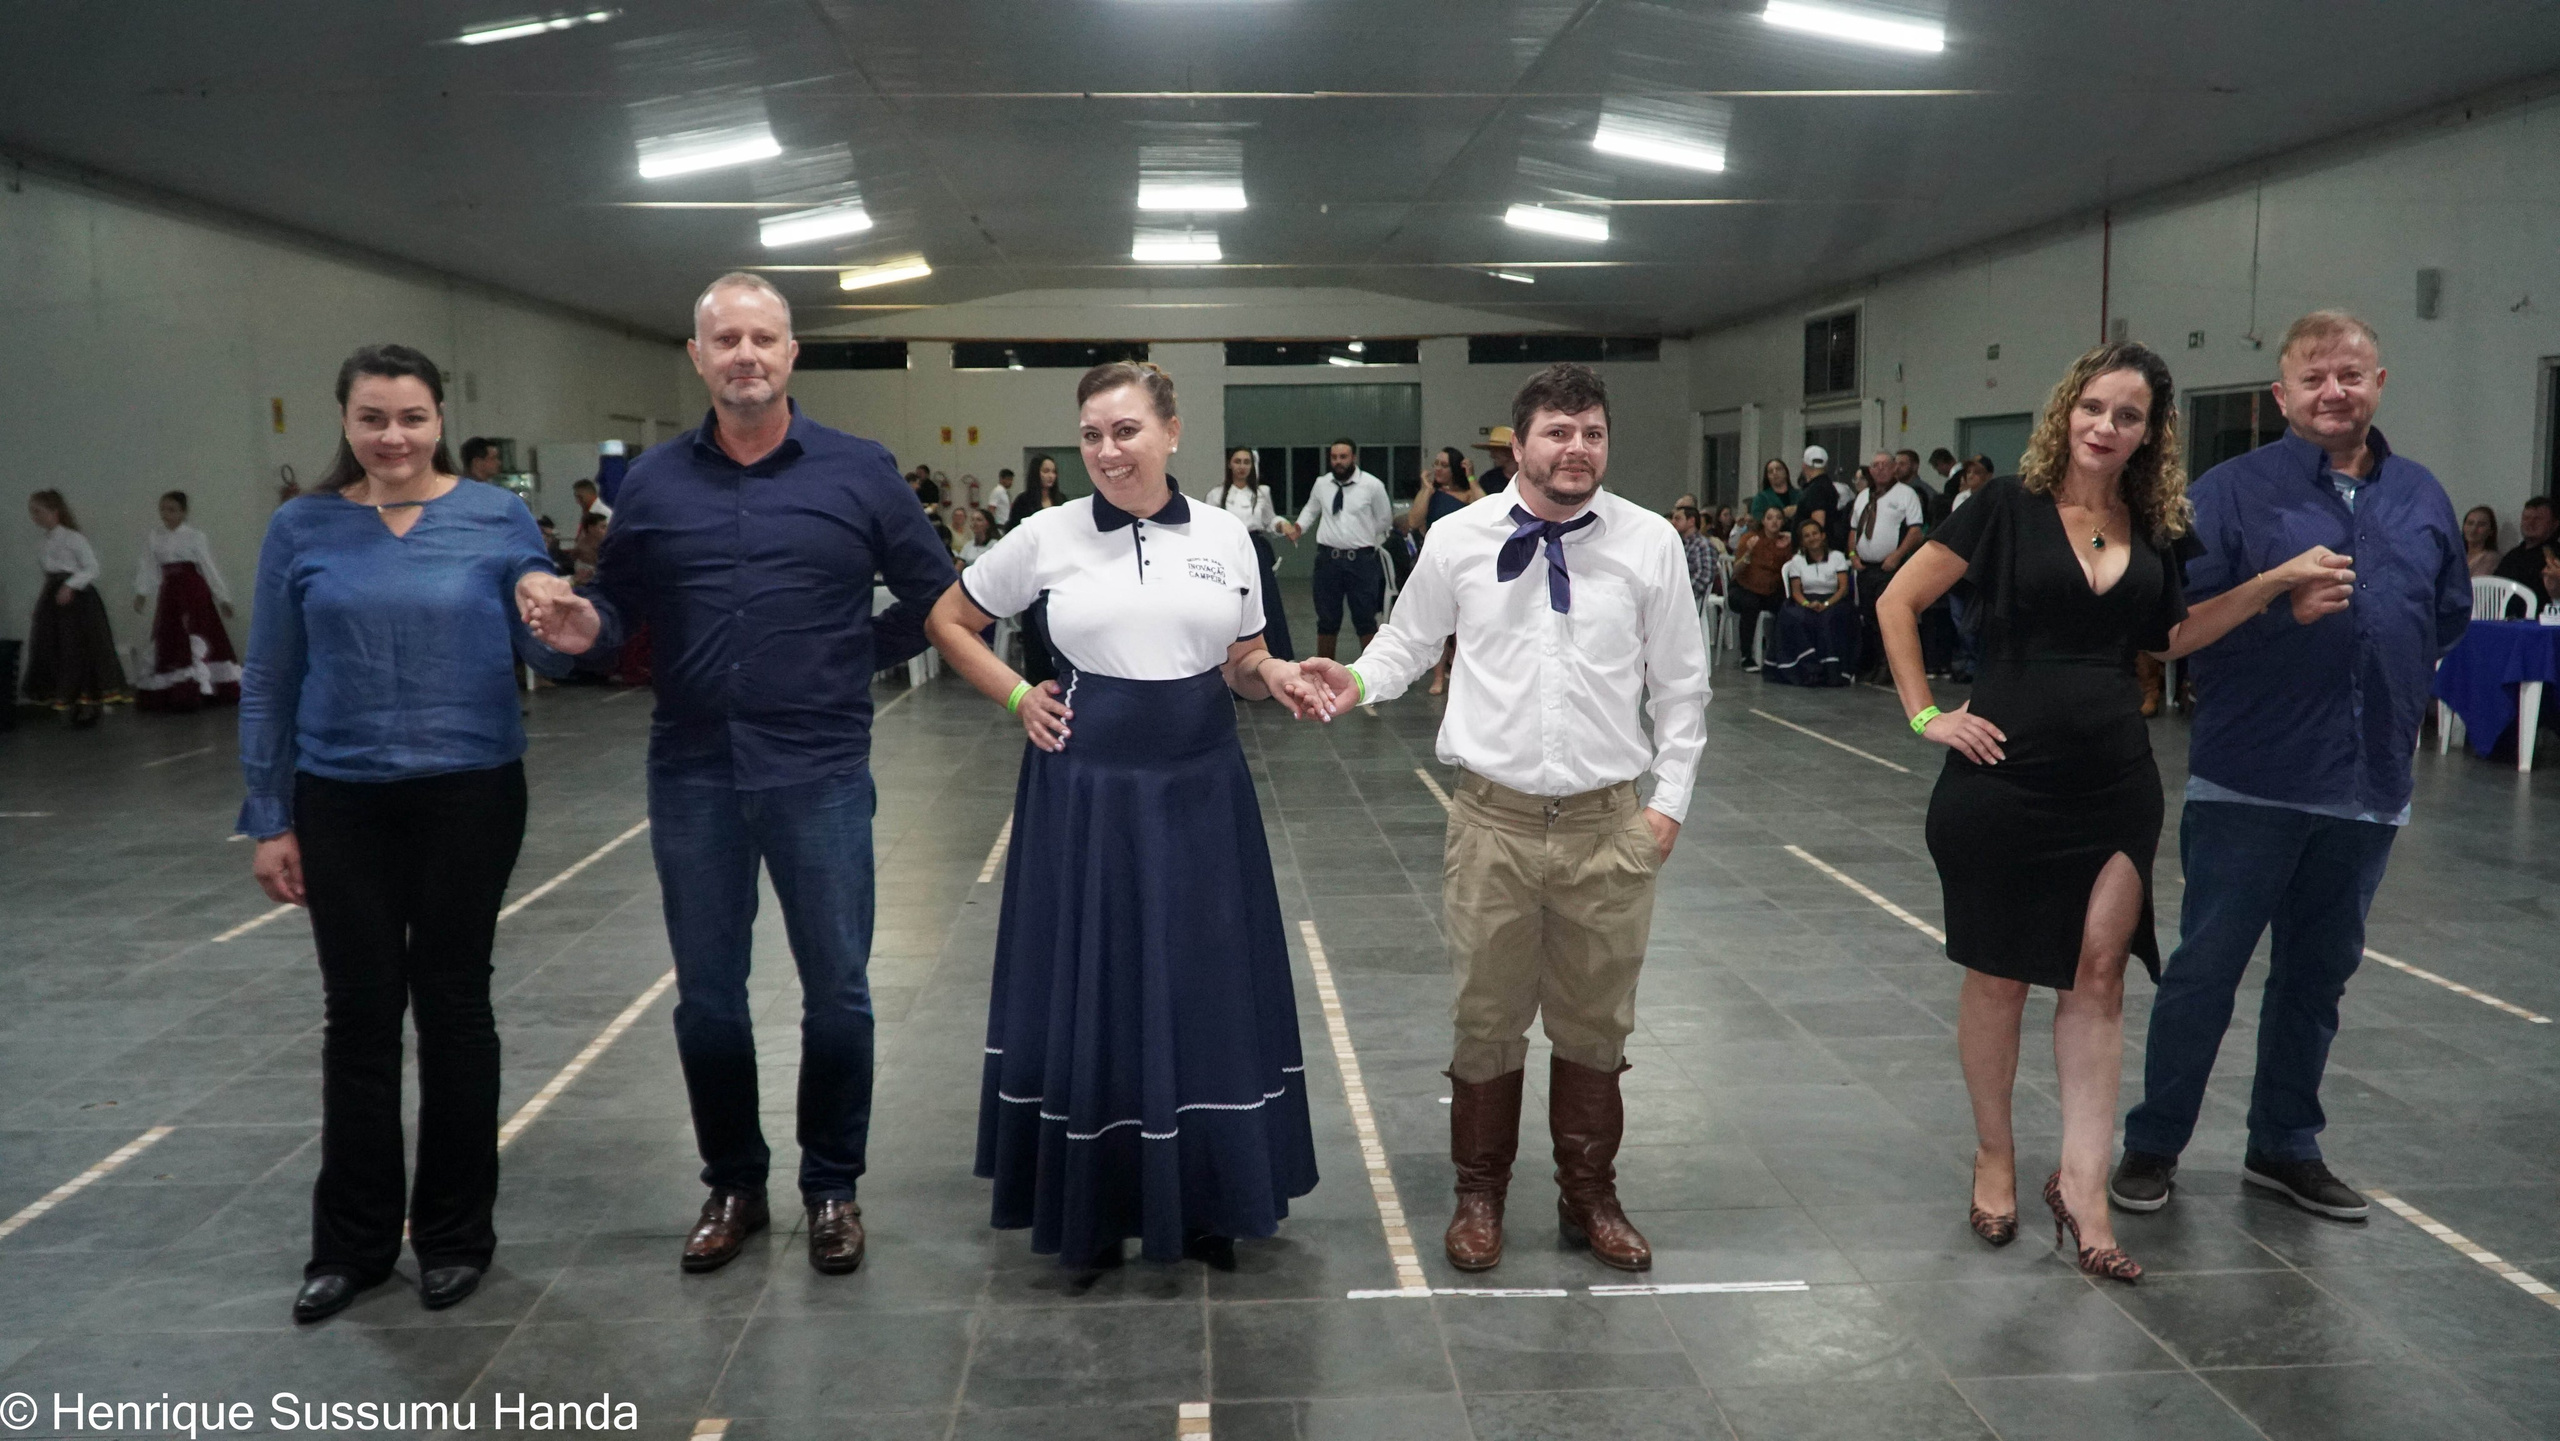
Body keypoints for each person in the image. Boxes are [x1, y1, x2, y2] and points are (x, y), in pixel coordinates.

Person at [1874, 339, 2357, 1285]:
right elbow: (1898, 600)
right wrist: (1928, 713)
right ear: (2068, 412)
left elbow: (2169, 638)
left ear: (2148, 433)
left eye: (2128, 415)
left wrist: (2263, 586)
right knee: (2001, 976)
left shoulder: (2154, 521)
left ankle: (2085, 1185)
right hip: (2001, 776)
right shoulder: (2004, 509)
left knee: (2099, 976)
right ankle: (1996, 1158)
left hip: (2113, 782)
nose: (2107, 426)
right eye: (2094, 407)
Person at [518, 272, 955, 1280]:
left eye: (765, 337)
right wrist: (585, 625)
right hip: (694, 772)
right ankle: (734, 1182)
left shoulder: (861, 471)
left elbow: (942, 591)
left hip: (823, 769)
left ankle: (833, 1183)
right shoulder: (656, 485)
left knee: (839, 993)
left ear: (791, 353)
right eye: (728, 340)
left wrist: (855, 652)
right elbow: (615, 611)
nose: (747, 355)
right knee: (708, 998)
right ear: (699, 356)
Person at [1299, 363, 1710, 1276]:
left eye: (1592, 432)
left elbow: (1682, 687)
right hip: (1492, 824)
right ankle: (1478, 1194)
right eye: (1557, 431)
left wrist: (1665, 809)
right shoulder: (1459, 538)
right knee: (1486, 1018)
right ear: (1517, 445)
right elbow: (1408, 642)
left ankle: (1589, 1196)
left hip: (1611, 827)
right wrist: (1356, 679)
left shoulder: (1648, 544)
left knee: (1597, 1024)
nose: (1577, 448)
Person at [922, 361, 1324, 1270]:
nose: (1107, 450)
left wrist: (1278, 676)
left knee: (1204, 984)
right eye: (1093, 434)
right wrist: (1019, 695)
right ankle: (1095, 1196)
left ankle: (1213, 1194)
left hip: (1203, 789)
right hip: (1087, 797)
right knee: (1095, 983)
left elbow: (1242, 657)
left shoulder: (1227, 536)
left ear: (1173, 432)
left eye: (1127, 430)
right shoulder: (1044, 536)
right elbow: (949, 620)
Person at [237, 343, 573, 1324]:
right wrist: (269, 816)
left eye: (412, 417)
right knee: (361, 1015)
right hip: (340, 799)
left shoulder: (495, 516)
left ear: (440, 420)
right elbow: (270, 676)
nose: (393, 436)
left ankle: (456, 1235)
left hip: (470, 794)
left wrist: (561, 619)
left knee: (456, 1006)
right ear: (343, 420)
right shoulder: (300, 528)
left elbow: (546, 651)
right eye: (374, 417)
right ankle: (351, 1244)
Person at [2114, 311, 2472, 1224]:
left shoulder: (2423, 496)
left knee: (2318, 977)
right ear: (2282, 396)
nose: (2333, 392)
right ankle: (2154, 1142)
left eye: (2349, 375)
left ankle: (2284, 1144)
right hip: (2252, 781)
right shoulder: (2231, 493)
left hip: (2367, 787)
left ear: (2379, 383)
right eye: (2313, 379)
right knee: (2205, 971)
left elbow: (2443, 618)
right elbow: (2172, 633)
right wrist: (2279, 608)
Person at [22, 490, 130, 725]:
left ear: (54, 511)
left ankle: (88, 703)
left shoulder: (73, 538)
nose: (35, 517)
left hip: (78, 601)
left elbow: (92, 568)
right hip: (55, 598)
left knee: (79, 649)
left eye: (38, 511)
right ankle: (69, 701)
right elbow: (49, 576)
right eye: (33, 512)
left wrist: (70, 585)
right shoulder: (43, 542)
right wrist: (42, 605)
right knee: (56, 649)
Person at [131, 490, 242, 712]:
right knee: (172, 636)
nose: (166, 514)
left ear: (183, 512)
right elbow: (149, 567)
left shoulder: (195, 536)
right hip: (170, 592)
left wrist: (223, 598)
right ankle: (177, 691)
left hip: (193, 590)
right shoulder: (155, 536)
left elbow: (208, 567)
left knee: (198, 634)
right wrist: (141, 593)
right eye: (163, 509)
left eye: (172, 510)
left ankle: (204, 687)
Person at [1284, 438, 1392, 660]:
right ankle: (1324, 672)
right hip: (1328, 560)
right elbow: (1310, 510)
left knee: (1365, 618)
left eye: (1343, 457)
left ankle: (1372, 672)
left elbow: (1384, 519)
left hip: (1361, 561)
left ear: (1354, 457)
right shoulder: (1322, 484)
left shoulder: (1372, 485)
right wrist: (1298, 528)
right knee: (1327, 619)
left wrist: (1362, 536)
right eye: (1334, 457)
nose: (1338, 462)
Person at [1210, 447, 1295, 661]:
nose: (1242, 466)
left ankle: (1272, 656)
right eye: (1237, 461)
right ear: (1230, 464)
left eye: (1246, 462)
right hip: (1227, 550)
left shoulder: (1261, 492)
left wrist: (1283, 525)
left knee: (1264, 600)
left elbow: (1270, 520)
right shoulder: (1216, 494)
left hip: (1256, 548)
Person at [1850, 450, 1926, 676]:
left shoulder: (1906, 494)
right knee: (1869, 616)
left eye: (1885, 464)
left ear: (1894, 468)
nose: (1880, 469)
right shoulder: (1863, 496)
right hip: (1865, 567)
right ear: (1870, 470)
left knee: (1889, 618)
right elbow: (1854, 529)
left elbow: (1915, 530)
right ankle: (1873, 662)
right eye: (1876, 465)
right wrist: (1852, 555)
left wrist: (1897, 555)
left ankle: (1890, 666)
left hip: (1890, 568)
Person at [1765, 518, 1855, 687]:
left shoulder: (1837, 557)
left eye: (1815, 534)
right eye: (1807, 536)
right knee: (1793, 616)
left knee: (1830, 617)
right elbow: (1796, 591)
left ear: (1823, 536)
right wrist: (1807, 604)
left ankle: (1832, 672)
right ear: (1802, 541)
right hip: (1806, 600)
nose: (1812, 538)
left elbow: (1843, 588)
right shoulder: (1797, 561)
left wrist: (1827, 604)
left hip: (1833, 599)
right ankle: (1807, 668)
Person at [1728, 504, 1792, 672]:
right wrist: (1748, 554)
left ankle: (1780, 653)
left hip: (1770, 589)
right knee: (1750, 604)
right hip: (1743, 587)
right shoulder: (1749, 538)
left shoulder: (1786, 543)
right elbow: (1736, 570)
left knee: (1788, 606)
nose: (1774, 522)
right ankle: (1746, 656)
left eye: (1778, 518)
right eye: (1770, 518)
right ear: (1763, 521)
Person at [2495, 496, 2555, 604]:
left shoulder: (2554, 557)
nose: (2530, 523)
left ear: (2554, 524)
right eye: (2526, 518)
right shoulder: (2512, 556)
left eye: (2538, 519)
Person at [1794, 446, 1852, 557]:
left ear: (1804, 466)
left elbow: (1818, 523)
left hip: (1814, 554)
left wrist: (1810, 549)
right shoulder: (1827, 486)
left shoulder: (1816, 489)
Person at [1670, 504, 1717, 605]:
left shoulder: (1703, 545)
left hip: (1688, 602)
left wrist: (1680, 594)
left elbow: (1704, 577)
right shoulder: (1677, 544)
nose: (1672, 522)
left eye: (1677, 519)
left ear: (1691, 521)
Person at [1746, 457, 1796, 527]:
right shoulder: (1761, 498)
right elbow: (1757, 521)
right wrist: (1781, 514)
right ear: (1767, 477)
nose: (1775, 473)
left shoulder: (1800, 495)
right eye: (1770, 471)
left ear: (1786, 472)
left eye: (1778, 469)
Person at [1471, 425, 1516, 494]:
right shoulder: (1488, 479)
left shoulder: (1527, 476)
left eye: (1496, 450)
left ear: (1509, 452)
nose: (1492, 455)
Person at [2461, 505, 2501, 578]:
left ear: (2491, 531)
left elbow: (2477, 585)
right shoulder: (2457, 555)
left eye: (2481, 525)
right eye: (2470, 523)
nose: (2473, 529)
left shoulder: (2490, 559)